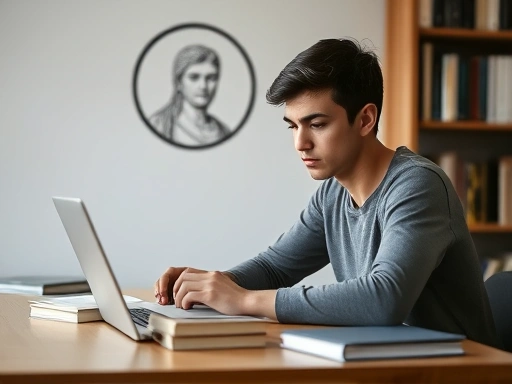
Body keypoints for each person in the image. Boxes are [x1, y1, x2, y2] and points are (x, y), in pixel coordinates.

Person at [154, 38, 498, 348]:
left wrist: (243, 300)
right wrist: (210, 285)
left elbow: (384, 298)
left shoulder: (418, 185)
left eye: (316, 124)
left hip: (459, 369)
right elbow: (275, 268)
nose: (300, 143)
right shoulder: (333, 193)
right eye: (293, 126)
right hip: (385, 360)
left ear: (365, 119)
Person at [149, 44, 229, 146]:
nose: (203, 86)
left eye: (211, 78)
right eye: (194, 77)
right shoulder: (158, 124)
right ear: (178, 82)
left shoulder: (223, 131)